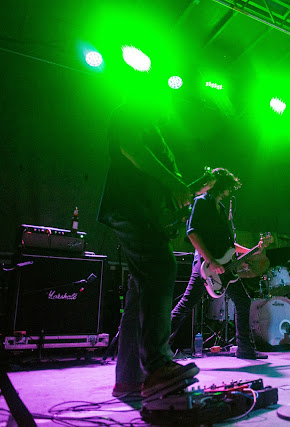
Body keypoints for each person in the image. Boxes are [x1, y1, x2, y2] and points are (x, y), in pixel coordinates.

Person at [98, 83, 213, 397]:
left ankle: (128, 380)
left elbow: (163, 186)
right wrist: (175, 182)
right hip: (131, 210)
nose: (168, 109)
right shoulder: (129, 111)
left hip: (145, 213)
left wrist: (190, 189)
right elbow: (132, 149)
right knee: (161, 267)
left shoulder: (155, 133)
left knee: (139, 292)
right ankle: (158, 366)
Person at [170, 168, 268, 360]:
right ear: (221, 186)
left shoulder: (221, 209)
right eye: (228, 187)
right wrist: (210, 260)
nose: (229, 192)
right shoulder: (201, 203)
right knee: (185, 305)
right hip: (205, 267)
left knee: (242, 300)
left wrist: (253, 249)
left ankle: (245, 349)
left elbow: (229, 246)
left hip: (223, 267)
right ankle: (156, 348)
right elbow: (192, 233)